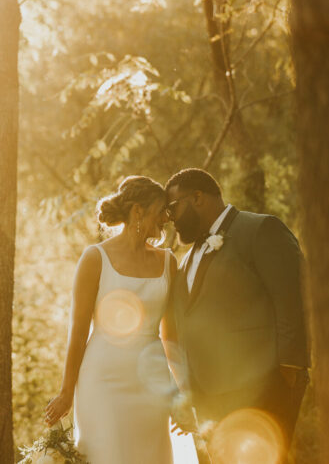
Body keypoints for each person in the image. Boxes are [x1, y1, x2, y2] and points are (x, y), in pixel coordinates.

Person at [164, 168, 310, 463]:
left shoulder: (260, 229)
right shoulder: (187, 258)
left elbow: (292, 298)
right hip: (210, 399)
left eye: (172, 208)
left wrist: (288, 370)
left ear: (198, 198)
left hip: (263, 389)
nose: (170, 218)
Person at [45, 175, 179, 464]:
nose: (166, 218)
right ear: (138, 212)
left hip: (152, 384)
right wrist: (66, 392)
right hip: (102, 381)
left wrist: (181, 392)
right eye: (161, 210)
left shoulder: (169, 262)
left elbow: (172, 336)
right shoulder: (95, 258)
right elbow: (78, 331)